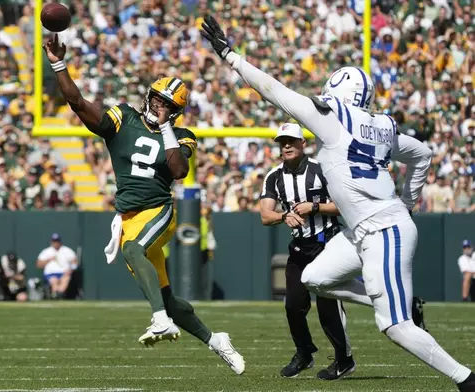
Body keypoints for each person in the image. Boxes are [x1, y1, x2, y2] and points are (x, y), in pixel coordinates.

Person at [201, 16, 475, 390]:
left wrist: (231, 57)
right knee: (315, 277)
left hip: (384, 229)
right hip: (362, 230)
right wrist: (409, 199)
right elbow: (423, 154)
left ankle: (465, 378)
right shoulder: (381, 125)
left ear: (337, 92)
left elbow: (275, 91)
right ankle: (396, 301)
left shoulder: (334, 119)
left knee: (393, 327)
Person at [43, 34, 244, 374]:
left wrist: (165, 128)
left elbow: (179, 170)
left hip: (159, 210)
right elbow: (78, 103)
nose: (157, 106)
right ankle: (215, 340)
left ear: (176, 112)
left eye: (166, 104)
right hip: (128, 216)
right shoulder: (124, 117)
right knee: (168, 299)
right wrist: (58, 63)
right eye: (155, 99)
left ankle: (160, 321)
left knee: (133, 250)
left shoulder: (183, 136)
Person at [260, 123, 353, 380]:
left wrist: (314, 207)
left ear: (303, 143)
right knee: (293, 304)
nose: (286, 145)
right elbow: (265, 216)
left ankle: (344, 359)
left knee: (327, 306)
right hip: (300, 248)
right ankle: (304, 353)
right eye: (282, 141)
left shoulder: (321, 170)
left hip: (329, 244)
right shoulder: (274, 176)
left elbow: (345, 206)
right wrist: (284, 216)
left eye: (291, 140)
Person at [36, 233, 78, 299]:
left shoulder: (67, 250)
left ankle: (59, 296)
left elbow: (75, 263)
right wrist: (49, 260)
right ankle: (56, 296)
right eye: (54, 241)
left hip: (64, 273)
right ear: (51, 242)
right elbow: (38, 264)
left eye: (57, 241)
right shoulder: (46, 251)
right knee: (54, 281)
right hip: (51, 273)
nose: (56, 243)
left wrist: (70, 270)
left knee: (65, 280)